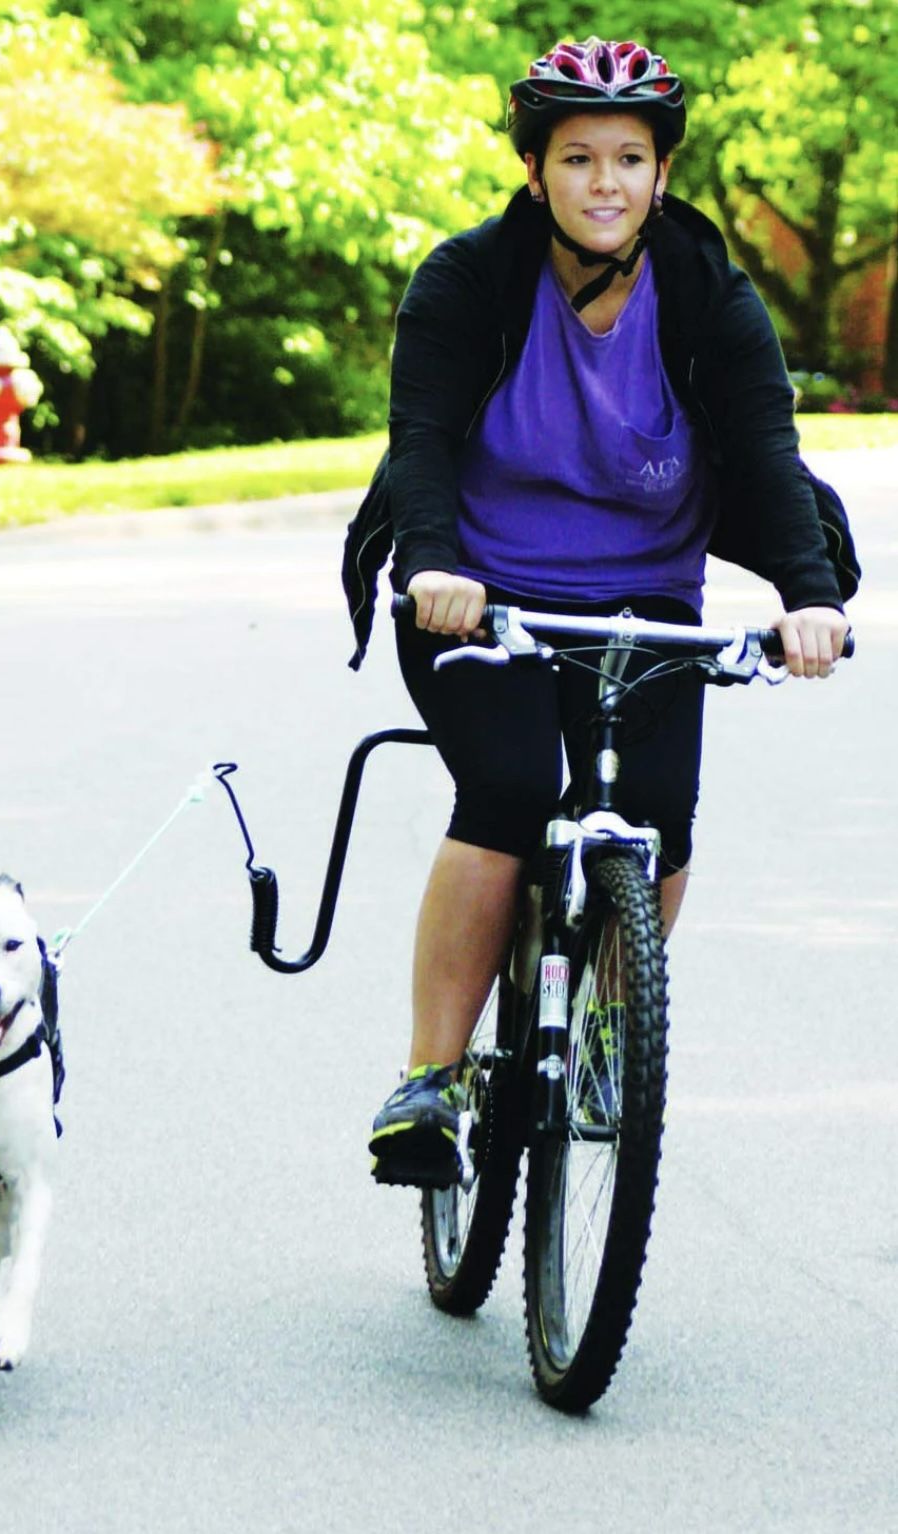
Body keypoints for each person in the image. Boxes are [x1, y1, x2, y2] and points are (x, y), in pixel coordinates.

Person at [341, 37, 857, 1189]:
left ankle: (612, 1025)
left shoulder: (712, 297)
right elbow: (418, 443)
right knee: (515, 787)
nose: (606, 182)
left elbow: (768, 456)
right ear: (536, 172)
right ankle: (427, 1077)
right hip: (478, 595)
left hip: (644, 600)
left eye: (630, 157)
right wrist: (431, 565)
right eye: (578, 158)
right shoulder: (466, 281)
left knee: (659, 818)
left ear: (663, 173)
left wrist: (807, 596)